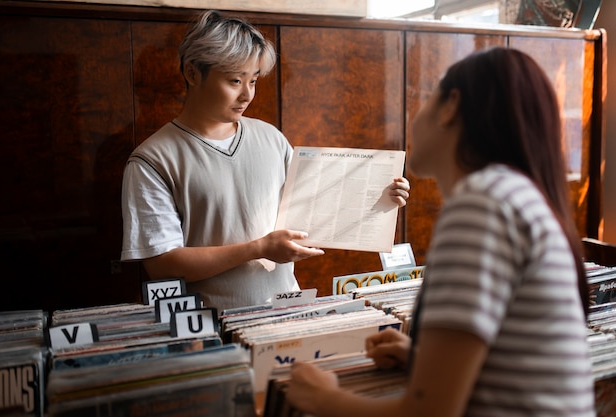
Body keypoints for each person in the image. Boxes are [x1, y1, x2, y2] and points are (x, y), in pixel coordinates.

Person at [286, 47, 595, 417]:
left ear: (450, 107)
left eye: (428, 97)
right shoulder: (512, 195)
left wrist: (324, 400)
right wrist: (423, 361)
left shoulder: (483, 204)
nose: (418, 113)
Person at [120, 10, 411, 314]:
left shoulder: (271, 138)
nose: (247, 94)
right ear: (193, 73)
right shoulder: (152, 160)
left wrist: (379, 198)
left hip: (288, 311)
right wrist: (258, 249)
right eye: (235, 80)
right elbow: (162, 265)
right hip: (210, 325)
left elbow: (317, 210)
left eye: (254, 81)